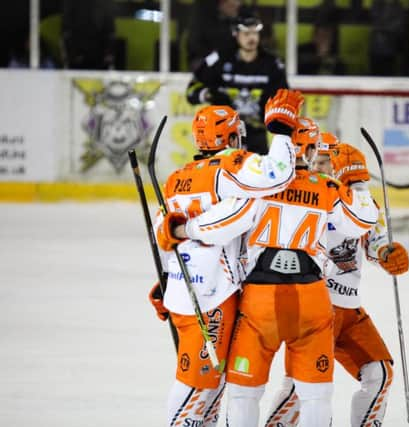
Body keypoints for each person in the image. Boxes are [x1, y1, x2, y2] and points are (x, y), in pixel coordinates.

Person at [162, 116, 380, 426]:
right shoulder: (327, 187)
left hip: (259, 303)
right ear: (310, 149)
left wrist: (183, 231)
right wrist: (357, 182)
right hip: (312, 302)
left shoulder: (256, 187)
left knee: (242, 393)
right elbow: (364, 220)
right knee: (316, 396)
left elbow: (221, 225)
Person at [149, 88, 303, 427]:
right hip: (211, 295)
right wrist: (280, 131)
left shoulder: (178, 177)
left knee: (212, 380)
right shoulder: (231, 164)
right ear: (230, 134)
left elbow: (164, 231)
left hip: (182, 287)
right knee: (199, 381)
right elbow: (279, 173)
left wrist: (165, 279)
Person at [264, 140, 409, 427]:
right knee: (304, 386)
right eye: (313, 161)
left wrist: (387, 253)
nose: (315, 167)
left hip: (349, 309)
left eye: (322, 162)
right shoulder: (304, 196)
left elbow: (374, 241)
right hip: (314, 306)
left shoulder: (362, 203)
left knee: (379, 374)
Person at [186, 14, 288, 155]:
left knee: (258, 175)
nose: (251, 38)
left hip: (256, 135)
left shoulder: (272, 64)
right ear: (236, 34)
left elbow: (284, 98)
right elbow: (191, 90)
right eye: (246, 33)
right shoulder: (219, 60)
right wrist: (208, 94)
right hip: (222, 135)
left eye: (254, 33)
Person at [187, 0, 241, 71]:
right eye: (232, 6)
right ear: (221, 5)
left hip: (229, 61)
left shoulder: (237, 23)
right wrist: (216, 57)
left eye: (237, 6)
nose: (235, 8)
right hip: (206, 58)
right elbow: (195, 45)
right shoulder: (204, 22)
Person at [62, 0, 116, 69]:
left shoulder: (105, 3)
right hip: (77, 56)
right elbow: (66, 30)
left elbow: (110, 30)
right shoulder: (72, 3)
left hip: (100, 57)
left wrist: (109, 52)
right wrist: (72, 53)